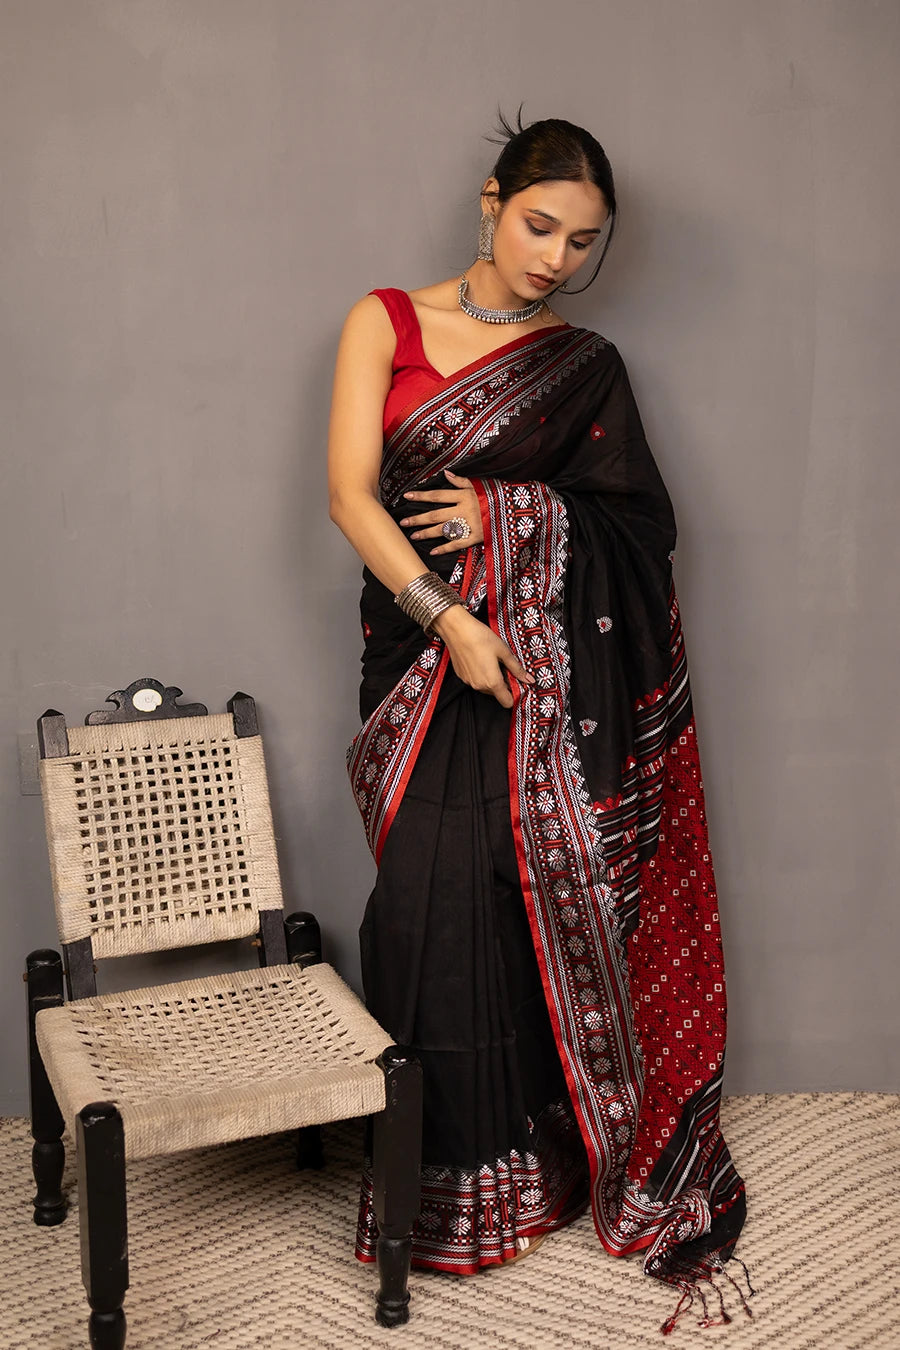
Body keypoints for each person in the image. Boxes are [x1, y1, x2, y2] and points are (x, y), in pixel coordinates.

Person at [327, 113, 753, 1333]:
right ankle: (436, 1190)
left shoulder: (587, 366)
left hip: (541, 682)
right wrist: (446, 618)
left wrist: (513, 515)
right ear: (489, 201)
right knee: (424, 907)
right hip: (421, 657)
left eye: (582, 241)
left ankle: (539, 1172)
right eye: (538, 223)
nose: (556, 256)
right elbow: (350, 493)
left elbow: (638, 530)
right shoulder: (386, 322)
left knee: (516, 907)